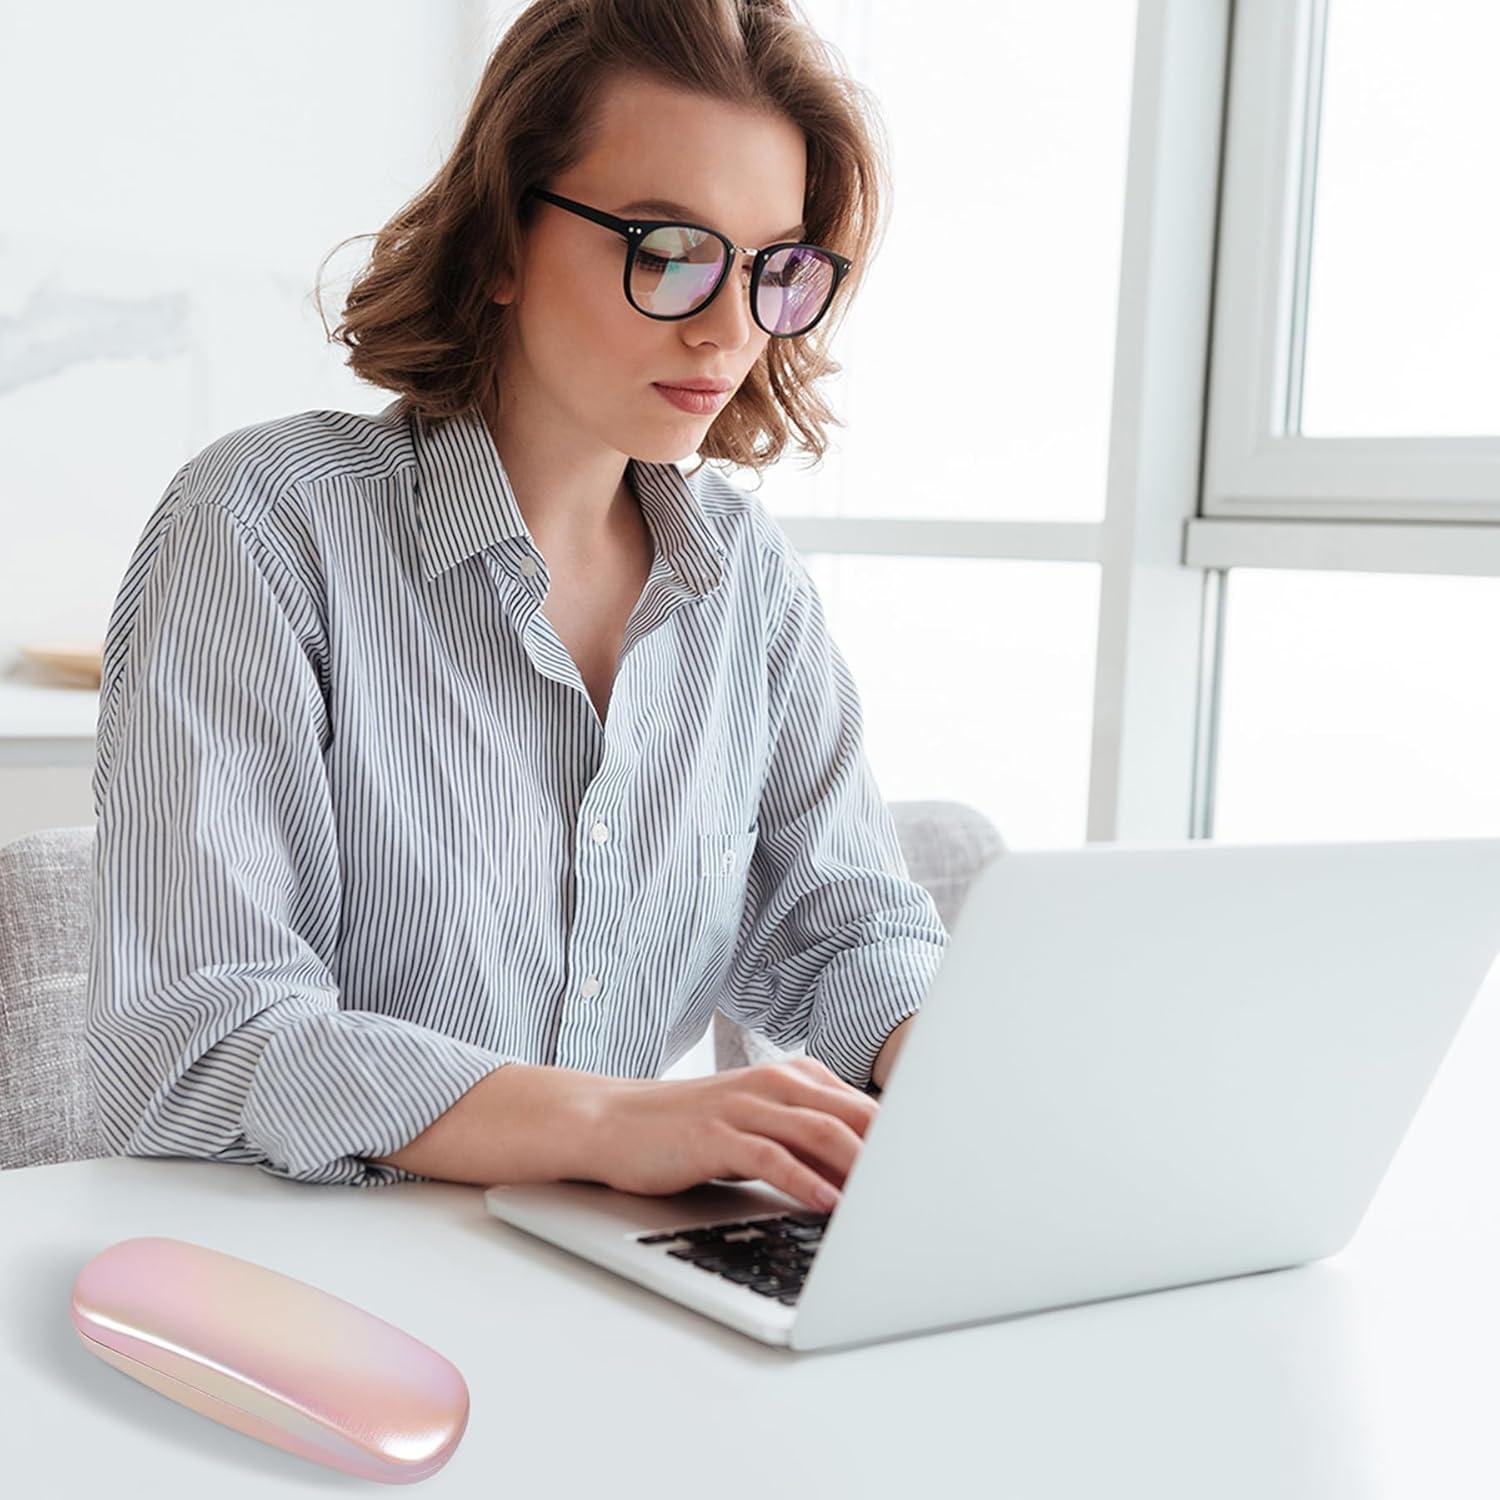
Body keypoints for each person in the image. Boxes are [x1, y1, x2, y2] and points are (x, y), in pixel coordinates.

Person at [86, 0, 948, 1214]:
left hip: (594, 1266)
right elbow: (199, 1042)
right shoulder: (265, 527)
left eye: (774, 269)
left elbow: (843, 934)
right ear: (500, 240)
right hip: (303, 1276)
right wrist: (609, 1122)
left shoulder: (747, 584)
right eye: (669, 251)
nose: (730, 326)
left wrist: (974, 1076)